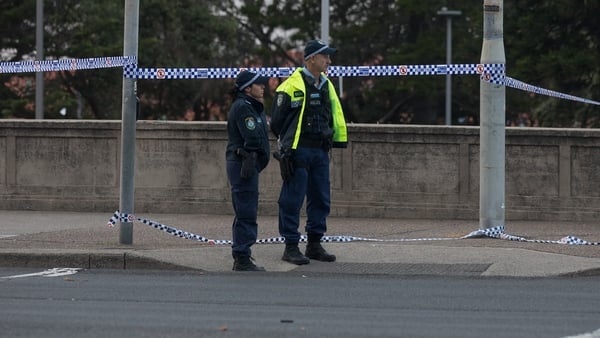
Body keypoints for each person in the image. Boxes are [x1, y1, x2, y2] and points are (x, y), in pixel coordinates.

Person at [270, 39, 348, 265]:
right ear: (312, 58)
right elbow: (276, 122)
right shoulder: (291, 86)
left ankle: (314, 244)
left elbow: (333, 114)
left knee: (321, 199)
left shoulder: (326, 84)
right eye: (326, 56)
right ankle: (291, 247)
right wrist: (288, 146)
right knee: (292, 200)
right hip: (298, 151)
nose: (329, 61)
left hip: (320, 151)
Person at [225, 70, 271, 271]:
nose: (263, 87)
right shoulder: (244, 108)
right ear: (247, 88)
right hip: (244, 163)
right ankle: (242, 257)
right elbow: (251, 137)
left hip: (248, 163)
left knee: (246, 208)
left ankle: (242, 253)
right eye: (259, 84)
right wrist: (254, 156)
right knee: (246, 211)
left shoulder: (252, 106)